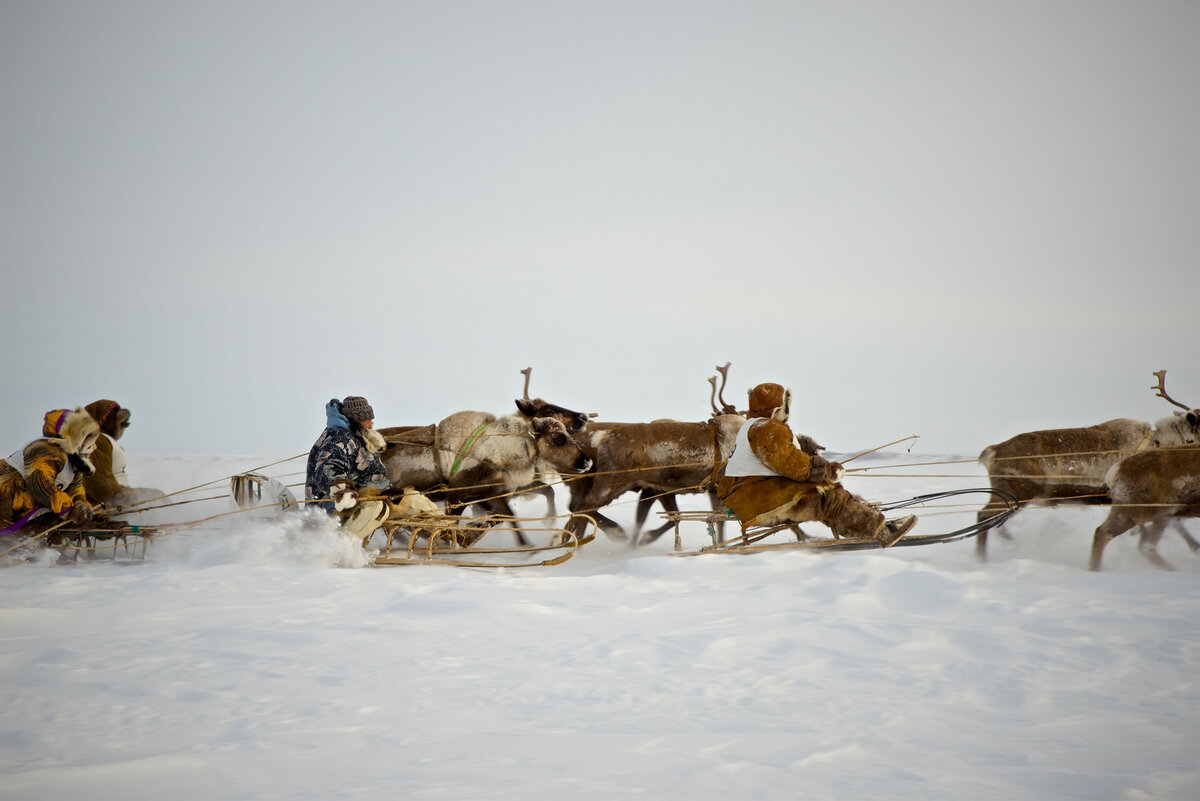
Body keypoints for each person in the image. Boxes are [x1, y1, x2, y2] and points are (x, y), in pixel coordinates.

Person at [717, 383, 916, 546]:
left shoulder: (750, 426)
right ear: (778, 408)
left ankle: (855, 528)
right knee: (830, 497)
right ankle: (882, 531)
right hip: (757, 500)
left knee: (820, 490)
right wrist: (824, 469)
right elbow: (787, 461)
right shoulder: (767, 428)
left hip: (747, 494)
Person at [305, 395, 391, 544]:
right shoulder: (338, 438)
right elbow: (329, 468)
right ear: (356, 421)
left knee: (413, 500)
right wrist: (342, 490)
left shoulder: (358, 437)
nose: (371, 425)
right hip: (333, 504)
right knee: (376, 507)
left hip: (361, 496)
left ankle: (443, 541)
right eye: (367, 421)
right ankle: (340, 547)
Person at [1, 407, 100, 534]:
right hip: (8, 501)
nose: (91, 445)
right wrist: (67, 509)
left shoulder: (74, 461)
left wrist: (81, 505)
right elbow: (40, 485)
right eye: (85, 438)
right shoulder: (45, 449)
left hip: (26, 506)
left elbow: (75, 488)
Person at [82, 399, 167, 511]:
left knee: (156, 496)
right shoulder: (98, 441)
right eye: (121, 423)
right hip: (111, 499)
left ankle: (168, 519)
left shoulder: (103, 440)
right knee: (156, 497)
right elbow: (97, 477)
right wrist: (116, 497)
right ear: (108, 423)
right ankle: (173, 520)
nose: (123, 428)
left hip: (117, 494)